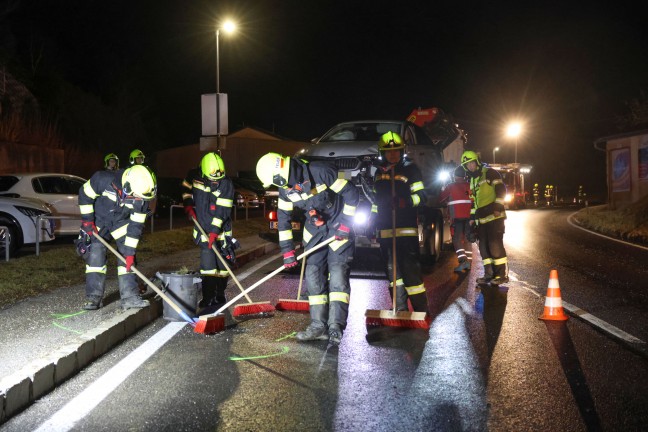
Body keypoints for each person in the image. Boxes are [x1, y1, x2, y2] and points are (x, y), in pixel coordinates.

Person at [256, 152, 359, 346]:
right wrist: (287, 252)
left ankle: (336, 327)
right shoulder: (285, 190)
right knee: (313, 278)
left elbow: (352, 195)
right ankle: (318, 326)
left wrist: (345, 224)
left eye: (274, 181)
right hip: (314, 233)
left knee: (337, 278)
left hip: (338, 228)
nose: (277, 186)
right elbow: (284, 221)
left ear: (280, 174)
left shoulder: (320, 172)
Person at [77, 164, 157, 310]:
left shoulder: (141, 196)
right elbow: (84, 194)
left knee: (126, 259)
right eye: (136, 197)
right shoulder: (103, 179)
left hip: (121, 223)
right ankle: (93, 298)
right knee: (95, 257)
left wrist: (130, 253)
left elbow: (136, 226)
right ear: (126, 186)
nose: (140, 201)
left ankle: (130, 297)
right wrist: (88, 221)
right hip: (98, 221)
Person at [369, 132, 429, 313]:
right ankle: (399, 309)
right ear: (382, 153)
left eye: (396, 150)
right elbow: (375, 202)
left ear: (402, 150)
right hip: (385, 230)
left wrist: (406, 202)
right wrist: (372, 223)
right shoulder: (379, 173)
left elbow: (422, 197)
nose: (392, 154)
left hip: (405, 230)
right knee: (393, 274)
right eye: (389, 151)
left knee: (410, 272)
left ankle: (421, 311)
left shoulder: (411, 169)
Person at [183, 153, 235, 308]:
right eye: (212, 179)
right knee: (208, 266)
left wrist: (214, 231)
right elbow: (186, 189)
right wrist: (188, 205)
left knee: (223, 266)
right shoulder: (194, 175)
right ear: (204, 172)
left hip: (221, 230)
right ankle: (208, 296)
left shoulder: (226, 184)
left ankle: (220, 293)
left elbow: (223, 210)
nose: (216, 181)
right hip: (202, 228)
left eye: (218, 178)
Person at [460, 150, 509, 285]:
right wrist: (472, 218)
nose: (470, 166)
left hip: (494, 217)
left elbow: (501, 190)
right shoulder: (473, 180)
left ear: (476, 161)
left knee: (495, 246)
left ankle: (500, 275)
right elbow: (474, 202)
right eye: (467, 165)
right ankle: (489, 274)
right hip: (481, 220)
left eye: (471, 163)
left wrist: (498, 207)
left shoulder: (490, 173)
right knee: (483, 248)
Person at [439, 165, 473, 272]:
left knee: (457, 239)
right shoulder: (470, 186)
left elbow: (440, 199)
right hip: (469, 217)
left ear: (454, 175)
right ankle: (469, 263)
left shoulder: (450, 186)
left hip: (456, 218)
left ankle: (463, 261)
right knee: (468, 239)